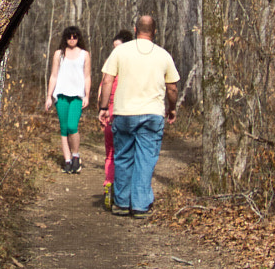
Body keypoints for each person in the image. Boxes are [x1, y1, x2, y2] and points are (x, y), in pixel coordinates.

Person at [97, 13, 179, 216]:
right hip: (152, 114)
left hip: (124, 113)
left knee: (123, 156)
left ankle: (122, 203)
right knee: (146, 159)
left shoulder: (121, 52)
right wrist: (172, 107)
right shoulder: (163, 55)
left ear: (135, 30)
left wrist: (104, 107)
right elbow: (172, 88)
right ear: (155, 32)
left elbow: (107, 80)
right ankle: (141, 205)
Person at [45, 23, 91, 174]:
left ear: (78, 38)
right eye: (69, 37)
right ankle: (67, 160)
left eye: (75, 37)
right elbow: (53, 75)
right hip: (61, 95)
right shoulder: (59, 54)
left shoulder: (84, 54)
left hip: (77, 95)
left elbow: (87, 76)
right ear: (65, 38)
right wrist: (49, 96)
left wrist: (87, 95)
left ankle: (76, 155)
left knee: (72, 126)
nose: (72, 39)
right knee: (64, 129)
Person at [98, 30, 133, 210]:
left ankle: (109, 184)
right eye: (114, 49)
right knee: (121, 154)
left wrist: (102, 109)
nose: (115, 53)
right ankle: (120, 191)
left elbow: (102, 87)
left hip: (115, 112)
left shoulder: (112, 67)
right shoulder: (133, 67)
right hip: (120, 112)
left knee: (112, 154)